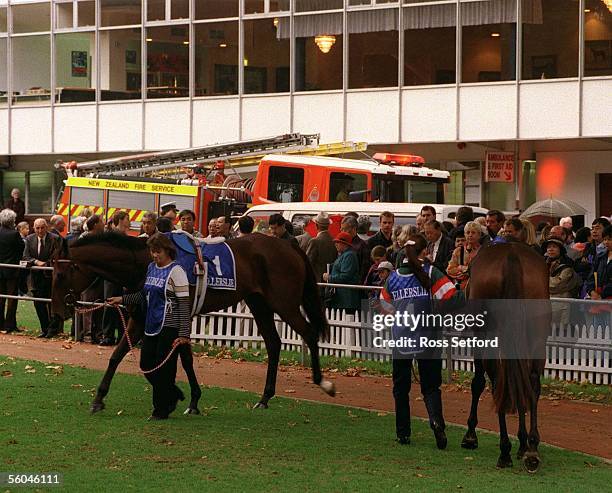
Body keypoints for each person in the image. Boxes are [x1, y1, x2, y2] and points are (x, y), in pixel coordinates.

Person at [380, 234, 462, 449]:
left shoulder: (393, 278)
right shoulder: (431, 272)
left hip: (401, 338)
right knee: (431, 386)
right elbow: (452, 297)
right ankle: (436, 422)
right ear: (425, 251)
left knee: (401, 388)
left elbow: (384, 306)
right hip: (429, 336)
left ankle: (403, 433)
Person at [108, 233, 190, 420]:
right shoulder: (152, 268)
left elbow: (185, 304)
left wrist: (184, 333)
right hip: (151, 324)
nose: (155, 255)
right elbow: (143, 295)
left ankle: (160, 410)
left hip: (169, 326)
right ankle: (172, 394)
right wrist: (121, 299)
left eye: (158, 252)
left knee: (163, 369)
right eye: (152, 252)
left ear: (167, 251)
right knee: (146, 365)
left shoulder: (177, 271)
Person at [22, 218, 60, 338]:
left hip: (51, 277)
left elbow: (57, 257)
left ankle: (52, 330)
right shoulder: (29, 239)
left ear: (47, 227)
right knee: (38, 303)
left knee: (52, 304)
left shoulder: (55, 238)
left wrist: (46, 264)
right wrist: (36, 261)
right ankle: (45, 328)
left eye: (42, 227)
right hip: (36, 278)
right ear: (34, 228)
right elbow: (25, 256)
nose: (40, 230)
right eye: (37, 228)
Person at [100, 211, 131, 345]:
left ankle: (120, 335)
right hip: (111, 277)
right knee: (110, 306)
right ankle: (108, 335)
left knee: (122, 307)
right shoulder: (112, 236)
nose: (129, 222)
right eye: (127, 219)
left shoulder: (125, 236)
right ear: (120, 220)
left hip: (122, 277)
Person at [543, 238, 580, 326]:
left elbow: (556, 285)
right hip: (546, 306)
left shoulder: (567, 265)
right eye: (548, 247)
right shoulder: (543, 263)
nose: (550, 249)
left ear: (560, 249)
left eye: (554, 247)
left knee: (561, 332)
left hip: (562, 306)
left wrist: (541, 281)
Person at [323, 232, 360, 313]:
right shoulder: (344, 255)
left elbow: (345, 276)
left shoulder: (349, 256)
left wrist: (329, 278)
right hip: (342, 299)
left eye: (338, 242)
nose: (335, 244)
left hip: (346, 300)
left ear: (345, 244)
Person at [0, 209, 24, 333]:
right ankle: (10, 324)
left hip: (0, 270)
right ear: (12, 221)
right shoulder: (14, 234)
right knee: (11, 298)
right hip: (11, 270)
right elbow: (21, 248)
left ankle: (0, 324)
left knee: (0, 298)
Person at [447, 221, 482, 290]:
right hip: (461, 288)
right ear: (465, 234)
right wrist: (461, 269)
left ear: (479, 235)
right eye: (468, 232)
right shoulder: (458, 251)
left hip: (478, 287)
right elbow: (450, 270)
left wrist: (463, 269)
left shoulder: (483, 251)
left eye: (473, 232)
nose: (470, 235)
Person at [306, 212, 337, 284]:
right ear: (328, 226)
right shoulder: (334, 241)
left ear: (316, 225)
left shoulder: (315, 241)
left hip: (317, 281)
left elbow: (307, 262)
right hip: (330, 280)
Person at [585, 225, 612, 302]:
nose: (606, 242)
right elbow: (591, 276)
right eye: (605, 239)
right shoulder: (600, 257)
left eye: (609, 239)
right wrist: (592, 291)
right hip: (597, 299)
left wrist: (602, 294)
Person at [341, 215, 370, 283]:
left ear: (354, 229)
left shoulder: (362, 245)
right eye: (341, 229)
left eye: (344, 229)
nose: (342, 231)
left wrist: (359, 283)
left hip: (354, 284)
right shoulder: (342, 244)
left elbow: (365, 268)